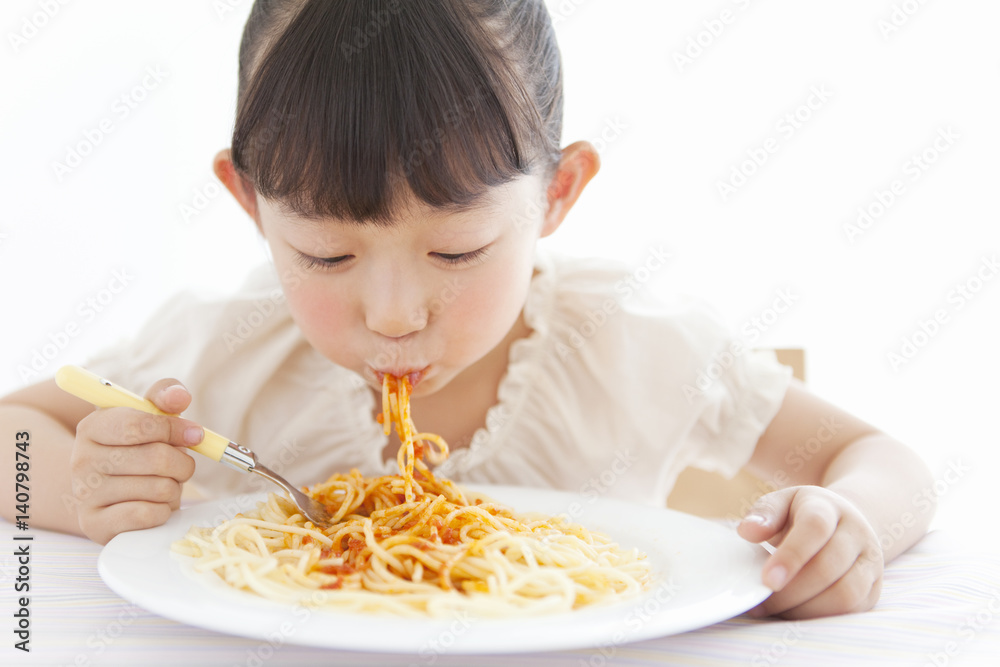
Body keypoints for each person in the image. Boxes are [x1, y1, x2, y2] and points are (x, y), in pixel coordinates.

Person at [0, 0, 934, 620]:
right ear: (248, 204)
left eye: (458, 250)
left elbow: (885, 464)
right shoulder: (222, 347)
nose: (396, 313)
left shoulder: (636, 344)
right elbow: (14, 432)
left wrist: (848, 520)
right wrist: (77, 487)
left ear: (558, 196)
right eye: (326, 253)